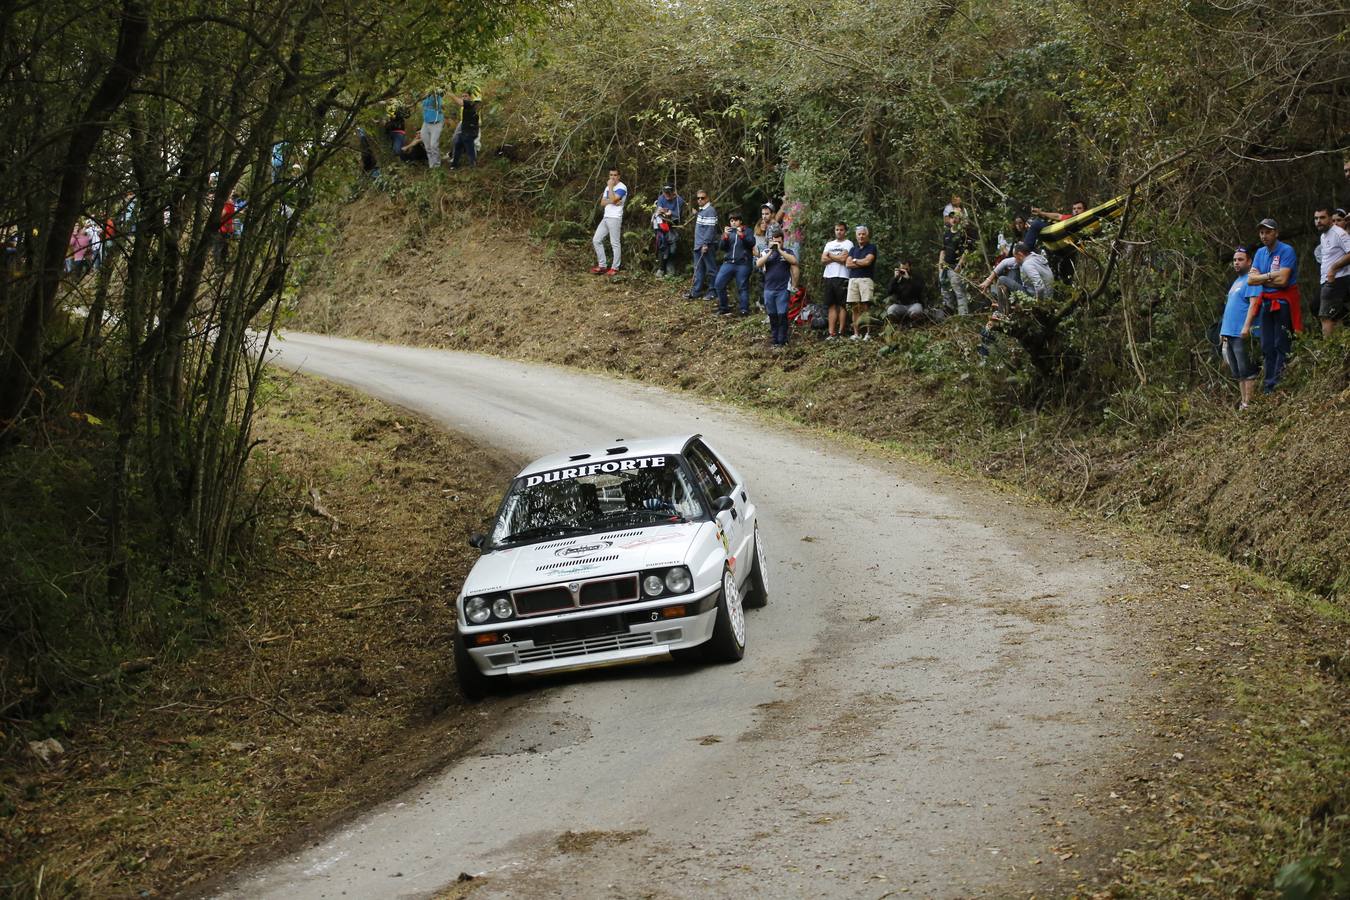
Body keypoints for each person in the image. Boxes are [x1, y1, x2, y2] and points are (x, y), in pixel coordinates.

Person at [1246, 218, 1299, 394]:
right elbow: (1251, 280)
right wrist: (1271, 276)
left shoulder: (1286, 250)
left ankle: (1281, 382)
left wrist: (1263, 278)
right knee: (1266, 345)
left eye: (1268, 232)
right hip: (1266, 302)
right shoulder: (1260, 253)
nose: (1264, 235)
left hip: (1283, 302)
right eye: (1261, 232)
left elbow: (1283, 281)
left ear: (1276, 232)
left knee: (1281, 343)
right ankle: (1269, 386)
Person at [1220, 246, 1264, 410]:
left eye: (1240, 260)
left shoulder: (1251, 279)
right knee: (1238, 372)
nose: (1236, 263)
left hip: (1242, 333)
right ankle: (1244, 402)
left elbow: (1254, 304)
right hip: (1229, 333)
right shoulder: (1235, 282)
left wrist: (1246, 327)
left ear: (1249, 261)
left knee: (1247, 369)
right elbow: (1230, 308)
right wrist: (1223, 331)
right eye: (1234, 260)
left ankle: (1249, 403)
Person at [980, 242, 1054, 317]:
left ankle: (1002, 313)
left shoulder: (1027, 265)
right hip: (1048, 296)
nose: (1015, 260)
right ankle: (1009, 302)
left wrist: (1038, 305)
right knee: (1014, 269)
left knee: (1002, 279)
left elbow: (1039, 286)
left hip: (1037, 298)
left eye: (1015, 257)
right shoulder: (1034, 257)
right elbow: (1004, 262)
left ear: (1020, 255)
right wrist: (988, 280)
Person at [756, 224, 797, 345]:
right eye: (774, 241)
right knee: (772, 315)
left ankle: (782, 340)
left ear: (783, 241)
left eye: (779, 241)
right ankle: (775, 340)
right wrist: (770, 251)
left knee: (782, 314)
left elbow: (794, 261)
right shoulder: (766, 252)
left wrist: (779, 250)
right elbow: (758, 264)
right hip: (768, 289)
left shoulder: (787, 252)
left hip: (783, 289)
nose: (776, 243)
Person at [1313, 206, 1350, 336]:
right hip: (1328, 280)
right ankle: (1339, 351)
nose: (1318, 221)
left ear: (1330, 218)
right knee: (1336, 317)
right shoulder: (1324, 236)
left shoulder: (1339, 233)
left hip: (1338, 279)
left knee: (1325, 316)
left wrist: (1334, 268)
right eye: (1316, 218)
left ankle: (1326, 352)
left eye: (1322, 217)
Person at [713, 211, 756, 315]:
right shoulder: (729, 232)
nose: (733, 223)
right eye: (732, 221)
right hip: (728, 263)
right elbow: (721, 247)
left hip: (743, 263)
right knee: (718, 284)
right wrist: (725, 236)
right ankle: (724, 307)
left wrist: (742, 235)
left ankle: (744, 309)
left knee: (742, 287)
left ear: (740, 221)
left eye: (736, 220)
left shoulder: (748, 231)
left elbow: (752, 243)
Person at [590, 166, 626, 275]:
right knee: (596, 240)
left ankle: (615, 268)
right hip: (606, 217)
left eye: (615, 175)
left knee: (614, 243)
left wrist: (610, 188)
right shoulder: (607, 187)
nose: (613, 177)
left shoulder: (622, 187)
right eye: (611, 175)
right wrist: (613, 200)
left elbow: (614, 198)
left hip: (615, 217)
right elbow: (602, 202)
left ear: (618, 176)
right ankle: (602, 266)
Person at [820, 222, 853, 339]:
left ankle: (841, 332)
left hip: (843, 276)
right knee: (831, 305)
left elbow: (844, 259)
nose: (839, 232)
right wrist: (836, 258)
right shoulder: (829, 244)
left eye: (841, 230)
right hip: (829, 276)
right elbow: (823, 260)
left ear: (845, 231)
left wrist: (831, 256)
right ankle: (831, 333)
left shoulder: (848, 243)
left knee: (842, 305)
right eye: (837, 229)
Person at [845, 225, 878, 340]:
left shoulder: (871, 247)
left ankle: (868, 333)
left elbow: (868, 262)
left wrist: (855, 261)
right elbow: (848, 264)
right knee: (855, 307)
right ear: (856, 236)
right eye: (859, 234)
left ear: (867, 235)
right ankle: (856, 334)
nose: (861, 236)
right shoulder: (853, 249)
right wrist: (859, 262)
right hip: (853, 279)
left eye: (863, 234)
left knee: (865, 306)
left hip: (866, 279)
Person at [884, 259, 938, 326]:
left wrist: (909, 279)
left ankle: (915, 326)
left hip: (914, 304)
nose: (904, 271)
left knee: (916, 311)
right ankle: (900, 326)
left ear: (910, 267)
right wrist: (895, 279)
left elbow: (919, 290)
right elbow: (889, 292)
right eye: (902, 269)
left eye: (906, 269)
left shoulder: (916, 276)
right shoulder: (897, 279)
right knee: (891, 310)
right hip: (901, 305)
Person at [938, 210, 972, 315]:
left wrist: (959, 266)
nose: (953, 219)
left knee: (959, 292)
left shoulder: (962, 233)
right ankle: (949, 312)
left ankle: (963, 316)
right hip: (945, 267)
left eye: (955, 217)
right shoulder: (946, 233)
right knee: (945, 290)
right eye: (951, 217)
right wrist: (940, 265)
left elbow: (966, 251)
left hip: (956, 267)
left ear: (959, 219)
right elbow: (943, 250)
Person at [687, 190, 718, 300]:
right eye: (698, 198)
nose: (700, 200)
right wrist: (697, 214)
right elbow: (703, 223)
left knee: (711, 270)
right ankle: (696, 291)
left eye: (702, 198)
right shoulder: (702, 211)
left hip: (706, 246)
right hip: (698, 245)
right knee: (698, 269)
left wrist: (705, 244)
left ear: (708, 198)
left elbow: (710, 229)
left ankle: (713, 291)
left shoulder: (710, 211)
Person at [652, 184, 685, 277]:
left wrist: (669, 213)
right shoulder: (661, 198)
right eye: (665, 192)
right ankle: (662, 269)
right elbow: (659, 210)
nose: (666, 195)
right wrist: (661, 212)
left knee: (673, 249)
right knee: (663, 247)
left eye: (668, 193)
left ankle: (670, 267)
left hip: (674, 227)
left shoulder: (679, 200)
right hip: (662, 226)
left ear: (673, 192)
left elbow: (678, 215)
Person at [451, 94, 480, 168]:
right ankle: (454, 165)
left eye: (465, 96)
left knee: (469, 149)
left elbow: (460, 102)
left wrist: (450, 94)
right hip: (465, 131)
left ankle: (473, 166)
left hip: (469, 132)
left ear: (470, 97)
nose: (464, 98)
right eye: (462, 96)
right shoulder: (467, 106)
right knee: (458, 145)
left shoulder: (470, 104)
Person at [419, 91, 445, 168]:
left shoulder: (436, 95)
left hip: (436, 123)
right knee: (427, 146)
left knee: (433, 145)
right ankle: (431, 165)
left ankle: (437, 165)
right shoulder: (424, 97)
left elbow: (441, 104)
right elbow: (417, 97)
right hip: (426, 123)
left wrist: (433, 93)